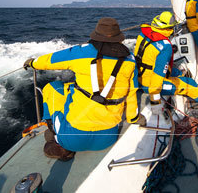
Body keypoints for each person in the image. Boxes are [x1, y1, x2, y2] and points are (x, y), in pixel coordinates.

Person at [23, 17, 144, 161]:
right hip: (108, 138)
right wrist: (134, 118)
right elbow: (131, 93)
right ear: (118, 38)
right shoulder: (129, 59)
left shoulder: (81, 52)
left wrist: (33, 63)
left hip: (72, 140)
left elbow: (51, 60)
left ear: (96, 35)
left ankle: (51, 128)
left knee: (53, 87)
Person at [134, 11, 198, 113]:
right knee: (188, 85)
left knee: (182, 75)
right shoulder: (165, 46)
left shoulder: (143, 34)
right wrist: (155, 103)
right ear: (169, 28)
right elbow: (157, 80)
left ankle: (197, 93)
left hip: (138, 77)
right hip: (149, 85)